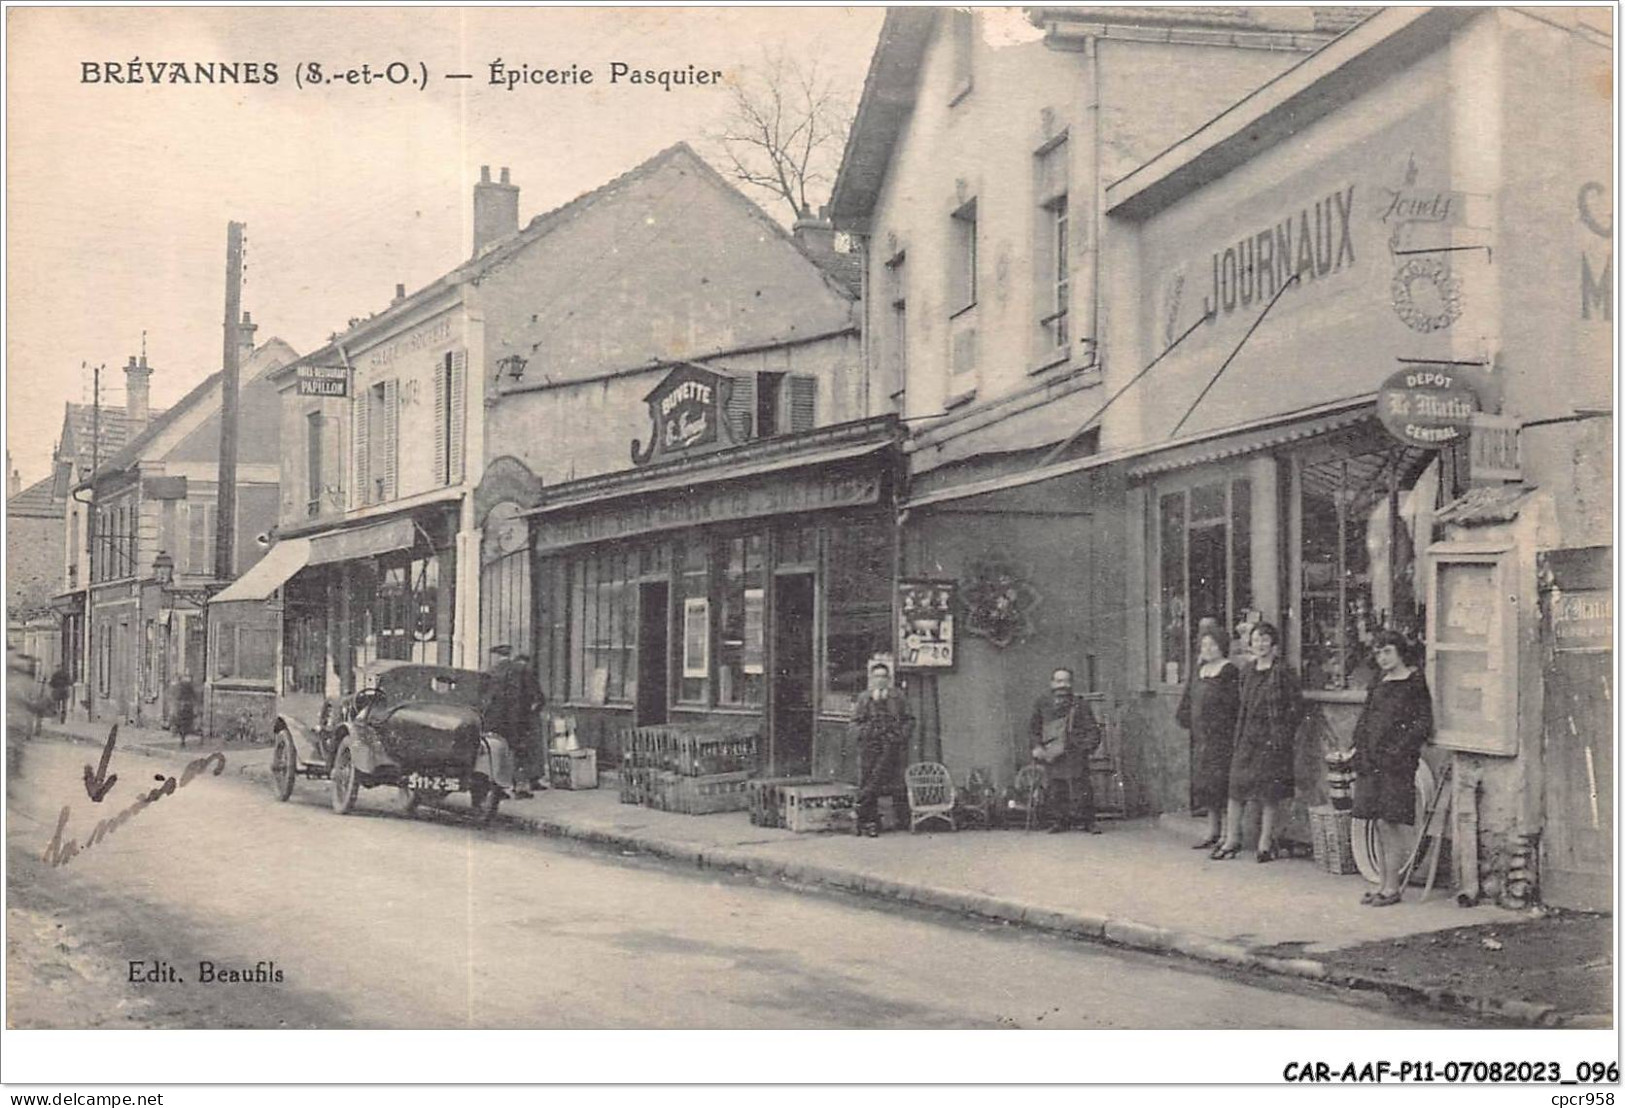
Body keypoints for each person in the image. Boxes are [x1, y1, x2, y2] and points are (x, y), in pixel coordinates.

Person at [1350, 631, 1434, 907]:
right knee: (1375, 820)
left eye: (1387, 651)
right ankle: (1382, 883)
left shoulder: (1413, 682)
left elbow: (1421, 724)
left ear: (1399, 652)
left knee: (1390, 821)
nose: (1383, 658)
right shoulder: (1379, 682)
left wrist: (1398, 750)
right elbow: (1366, 718)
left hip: (1396, 763)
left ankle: (1392, 887)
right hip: (1371, 760)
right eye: (1378, 653)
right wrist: (1359, 747)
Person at [1213, 621, 1302, 862]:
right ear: (1250, 644)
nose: (1260, 644)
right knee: (1236, 788)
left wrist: (1282, 733)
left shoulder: (1284, 671)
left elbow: (1296, 708)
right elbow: (1242, 705)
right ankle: (1232, 839)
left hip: (1273, 738)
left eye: (1265, 639)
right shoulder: (1248, 671)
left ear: (1273, 644)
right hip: (1248, 736)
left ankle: (1265, 842)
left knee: (1269, 792)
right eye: (1256, 639)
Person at [1176, 619, 1241, 850]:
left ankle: (1226, 833)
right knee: (1206, 785)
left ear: (1222, 646)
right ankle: (1212, 830)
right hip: (1201, 737)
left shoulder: (1229, 671)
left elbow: (1233, 706)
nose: (1208, 649)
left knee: (1221, 784)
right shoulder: (1200, 671)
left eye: (1212, 645)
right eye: (1204, 646)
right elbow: (1189, 700)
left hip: (1221, 738)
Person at [1027, 666, 1103, 833]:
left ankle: (1088, 821)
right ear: (1052, 683)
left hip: (1074, 752)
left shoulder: (1080, 705)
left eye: (1066, 681)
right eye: (1059, 681)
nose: (1062, 685)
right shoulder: (1042, 704)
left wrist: (1084, 748)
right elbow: (1034, 729)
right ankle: (1059, 821)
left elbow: (1093, 730)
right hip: (1051, 751)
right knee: (1055, 787)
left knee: (1081, 786)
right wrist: (1037, 746)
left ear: (1071, 684)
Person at [851, 661, 913, 837]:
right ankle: (870, 821)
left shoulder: (898, 697)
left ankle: (899, 819)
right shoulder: (864, 698)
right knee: (870, 781)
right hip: (870, 747)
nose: (880, 680)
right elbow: (855, 723)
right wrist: (866, 733)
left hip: (892, 746)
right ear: (871, 679)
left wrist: (900, 736)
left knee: (893, 782)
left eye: (883, 677)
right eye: (876, 676)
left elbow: (909, 720)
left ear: (889, 679)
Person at [484, 645, 545, 798]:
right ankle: (520, 788)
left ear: (495, 656)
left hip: (494, 721)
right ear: (509, 654)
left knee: (497, 753)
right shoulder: (520, 670)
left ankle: (498, 789)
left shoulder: (489, 673)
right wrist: (531, 712)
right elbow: (536, 696)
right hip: (517, 720)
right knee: (520, 752)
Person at [170, 675, 198, 748]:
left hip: (181, 707)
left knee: (180, 722)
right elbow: (194, 696)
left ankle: (180, 737)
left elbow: (175, 697)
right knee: (184, 723)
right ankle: (182, 737)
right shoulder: (187, 686)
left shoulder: (178, 687)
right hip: (186, 707)